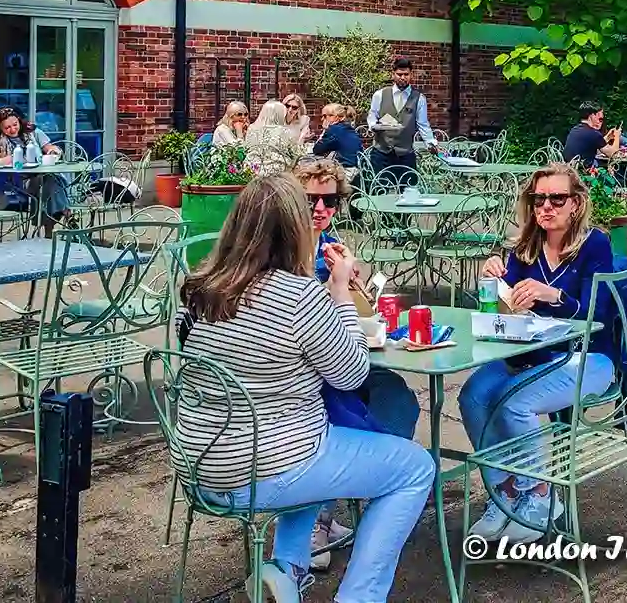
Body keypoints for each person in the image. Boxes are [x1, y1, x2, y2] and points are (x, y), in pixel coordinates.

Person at [173, 174, 433, 603]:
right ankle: (359, 597)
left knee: (317, 445)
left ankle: (286, 572)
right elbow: (351, 373)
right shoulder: (298, 295)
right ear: (294, 229)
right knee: (414, 468)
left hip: (199, 461)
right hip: (264, 467)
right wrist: (341, 295)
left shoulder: (200, 287)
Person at [462, 163, 616, 542]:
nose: (547, 206)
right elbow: (508, 310)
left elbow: (602, 315)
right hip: (531, 354)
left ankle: (541, 495)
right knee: (473, 396)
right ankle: (505, 492)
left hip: (590, 357)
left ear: (576, 204)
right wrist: (493, 280)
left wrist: (556, 296)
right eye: (539, 199)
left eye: (557, 198)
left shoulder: (594, 244)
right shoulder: (525, 248)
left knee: (513, 403)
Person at [295, 157, 420, 568]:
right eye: (309, 198)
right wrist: (336, 287)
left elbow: (359, 317)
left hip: (340, 358)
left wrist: (352, 282)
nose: (320, 209)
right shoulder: (285, 248)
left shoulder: (327, 242)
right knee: (342, 406)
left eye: (328, 200)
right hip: (302, 378)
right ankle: (318, 517)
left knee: (399, 398)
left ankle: (379, 496)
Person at [0, 108, 69, 226]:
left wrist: (53, 152)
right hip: (19, 181)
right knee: (51, 183)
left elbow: (49, 147)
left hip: (42, 175)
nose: (12, 129)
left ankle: (48, 230)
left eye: (15, 124)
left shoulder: (33, 132)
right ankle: (67, 213)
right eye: (7, 128)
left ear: (19, 121)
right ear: (1, 128)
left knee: (49, 186)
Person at [365, 58, 434, 186]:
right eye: (399, 74)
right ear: (393, 74)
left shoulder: (419, 98)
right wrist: (373, 126)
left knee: (409, 191)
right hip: (381, 152)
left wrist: (431, 144)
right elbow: (372, 115)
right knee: (380, 191)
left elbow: (423, 124)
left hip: (405, 153)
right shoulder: (380, 94)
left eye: (406, 74)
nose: (403, 77)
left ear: (411, 75)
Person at [243, 100, 307, 174]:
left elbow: (246, 149)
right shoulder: (285, 131)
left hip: (252, 171)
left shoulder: (251, 129)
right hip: (276, 173)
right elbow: (296, 155)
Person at [561, 101, 621, 169]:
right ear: (592, 116)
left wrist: (607, 138)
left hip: (569, 170)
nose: (601, 121)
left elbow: (593, 146)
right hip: (583, 172)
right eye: (600, 118)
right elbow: (614, 155)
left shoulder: (575, 130)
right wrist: (617, 136)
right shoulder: (593, 133)